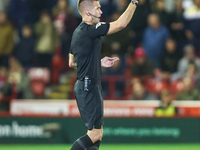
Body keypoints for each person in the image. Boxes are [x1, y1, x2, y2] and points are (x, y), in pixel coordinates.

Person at [69, 0, 139, 149]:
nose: (101, 12)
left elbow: (72, 61)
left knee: (97, 135)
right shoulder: (91, 29)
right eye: (98, 8)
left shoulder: (77, 32)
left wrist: (96, 62)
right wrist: (134, 2)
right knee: (94, 134)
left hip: (88, 86)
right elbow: (121, 23)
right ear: (88, 12)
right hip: (88, 86)